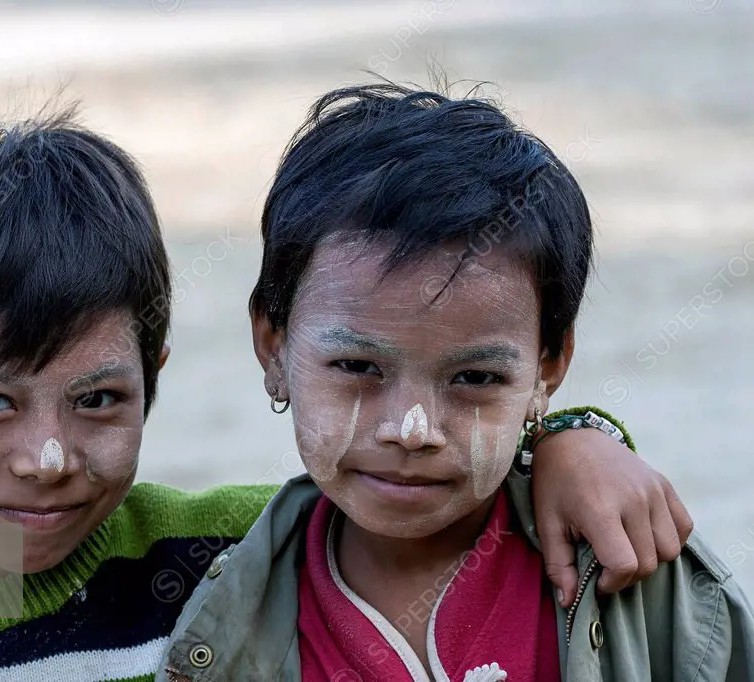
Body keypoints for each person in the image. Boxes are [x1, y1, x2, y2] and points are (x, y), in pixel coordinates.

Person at [0, 105, 698, 682]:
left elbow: (443, 490)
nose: (49, 459)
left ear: (153, 381)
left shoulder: (229, 552)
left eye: (99, 401)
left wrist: (571, 440)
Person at [159, 84, 754, 681]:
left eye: (474, 377)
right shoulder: (204, 590)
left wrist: (575, 434)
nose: (411, 432)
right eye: (358, 367)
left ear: (548, 367)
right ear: (273, 344)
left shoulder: (633, 566)